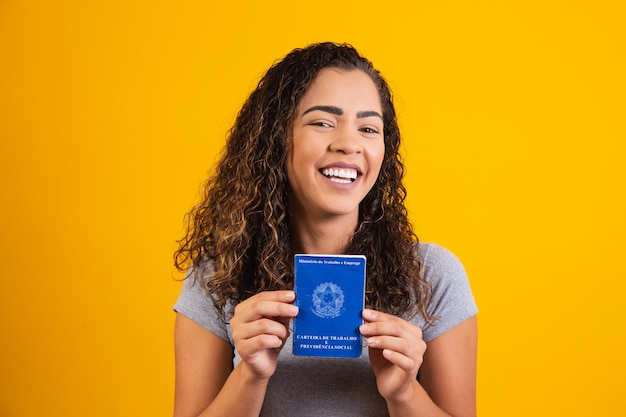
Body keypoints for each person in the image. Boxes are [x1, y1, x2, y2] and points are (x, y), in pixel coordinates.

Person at [172, 42, 478, 417]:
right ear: (277, 138)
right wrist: (250, 375)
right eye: (322, 122)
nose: (349, 144)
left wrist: (403, 393)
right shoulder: (217, 276)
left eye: (368, 128)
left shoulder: (433, 276)